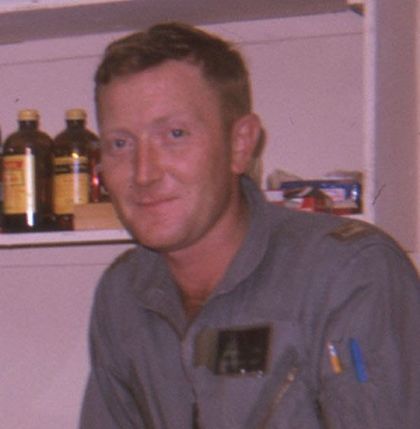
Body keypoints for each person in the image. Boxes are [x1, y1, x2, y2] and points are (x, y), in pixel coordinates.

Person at [80, 22, 420, 428]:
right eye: (120, 143)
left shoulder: (349, 274)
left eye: (175, 134)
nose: (144, 172)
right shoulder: (123, 293)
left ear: (240, 144)